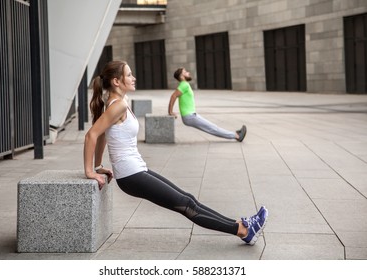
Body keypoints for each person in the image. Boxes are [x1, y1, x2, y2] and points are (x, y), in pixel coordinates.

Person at [83, 60, 268, 245]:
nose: (134, 78)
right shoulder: (118, 105)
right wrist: (90, 171)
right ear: (116, 81)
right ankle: (243, 231)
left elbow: (101, 135)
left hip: (136, 169)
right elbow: (92, 135)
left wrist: (98, 165)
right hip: (130, 175)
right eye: (129, 74)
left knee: (188, 199)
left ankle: (240, 224)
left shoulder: (119, 101)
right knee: (185, 205)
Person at [168, 67, 247, 142]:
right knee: (212, 128)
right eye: (185, 72)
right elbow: (173, 96)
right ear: (181, 76)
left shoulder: (184, 84)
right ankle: (237, 136)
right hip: (189, 116)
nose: (188, 73)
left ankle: (235, 134)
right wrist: (170, 111)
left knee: (212, 127)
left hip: (191, 115)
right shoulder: (184, 85)